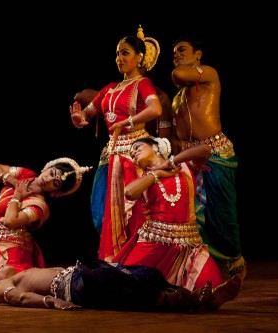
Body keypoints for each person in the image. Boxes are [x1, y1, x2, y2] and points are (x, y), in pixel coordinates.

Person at [69, 25, 162, 262]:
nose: (119, 58)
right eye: (118, 53)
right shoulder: (110, 89)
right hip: (109, 156)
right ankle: (113, 263)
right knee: (102, 214)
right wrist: (79, 120)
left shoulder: (142, 84)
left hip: (133, 155)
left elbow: (155, 108)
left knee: (131, 214)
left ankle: (133, 264)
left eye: (125, 53)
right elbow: (88, 114)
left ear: (139, 57)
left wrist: (127, 122)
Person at [171, 35, 245, 280]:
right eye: (174, 53)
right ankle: (199, 272)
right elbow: (173, 134)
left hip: (215, 154)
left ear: (198, 54)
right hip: (188, 159)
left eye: (182, 50)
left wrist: (178, 69)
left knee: (222, 213)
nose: (177, 55)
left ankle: (235, 260)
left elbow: (180, 75)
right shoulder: (177, 98)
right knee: (190, 218)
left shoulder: (208, 75)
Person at [112, 137, 224, 290]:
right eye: (132, 154)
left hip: (187, 246)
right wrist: (157, 174)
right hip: (153, 244)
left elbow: (205, 150)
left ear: (156, 147)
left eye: (138, 147)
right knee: (125, 286)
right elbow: (130, 193)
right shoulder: (146, 179)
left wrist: (170, 162)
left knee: (211, 287)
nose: (134, 153)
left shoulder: (185, 167)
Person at [0, 157, 92, 273]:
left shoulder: (39, 206)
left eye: (55, 183)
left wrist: (17, 194)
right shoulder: (26, 175)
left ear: (56, 192)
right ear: (47, 168)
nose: (48, 179)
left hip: (12, 253)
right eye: (52, 173)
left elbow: (10, 221)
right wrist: (13, 181)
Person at [0, 259, 242, 312]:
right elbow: (21, 298)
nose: (2, 265)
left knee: (146, 273)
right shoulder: (0, 285)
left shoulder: (18, 272)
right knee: (128, 289)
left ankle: (197, 298)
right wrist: (52, 302)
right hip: (75, 287)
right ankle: (187, 301)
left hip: (82, 272)